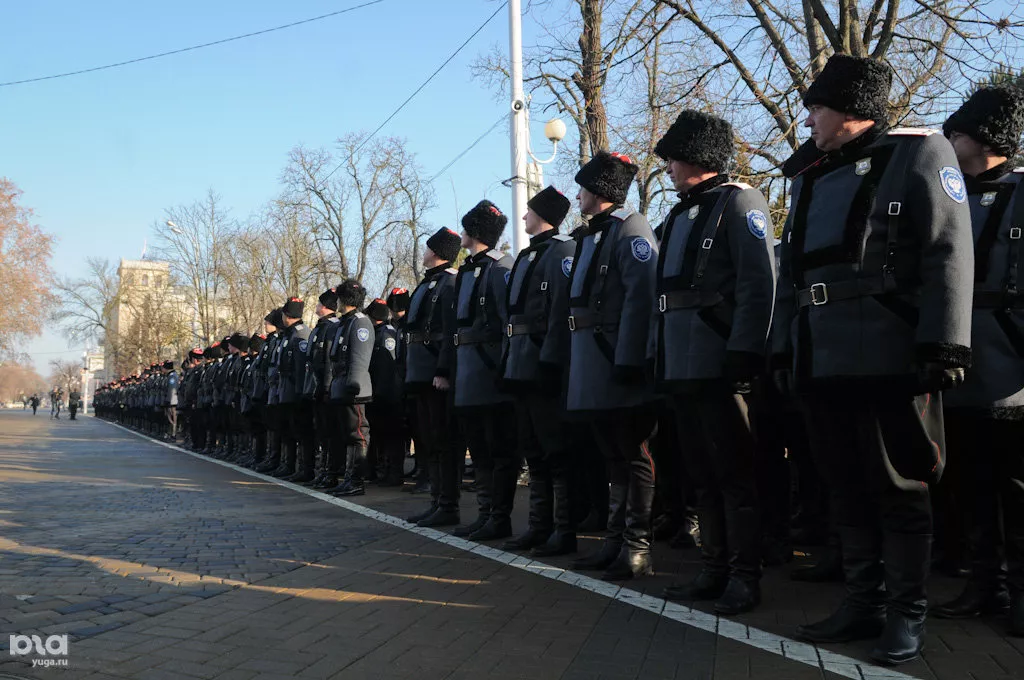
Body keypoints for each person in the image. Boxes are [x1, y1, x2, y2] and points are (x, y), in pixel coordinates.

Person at [772, 55, 974, 664]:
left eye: (817, 107)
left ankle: (906, 613)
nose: (809, 118)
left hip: (890, 350)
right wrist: (782, 345)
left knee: (900, 486)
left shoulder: (919, 152)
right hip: (822, 352)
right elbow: (792, 273)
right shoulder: (810, 174)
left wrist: (943, 342)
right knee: (845, 485)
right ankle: (863, 602)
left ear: (850, 109)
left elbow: (948, 248)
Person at [652, 110, 777, 613]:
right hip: (683, 366)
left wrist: (745, 351)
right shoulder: (679, 215)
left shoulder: (739, 202)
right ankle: (714, 568)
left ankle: (745, 577)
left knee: (735, 476)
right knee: (701, 476)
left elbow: (758, 283)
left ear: (697, 157)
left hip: (720, 362)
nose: (669, 168)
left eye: (674, 158)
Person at [931, 85, 1024, 635]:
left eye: (958, 134)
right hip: (960, 364)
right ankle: (983, 583)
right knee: (970, 484)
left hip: (1011, 365)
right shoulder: (949, 196)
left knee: (1016, 486)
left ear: (985, 139)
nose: (949, 141)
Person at [565, 151, 659, 581]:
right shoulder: (593, 234)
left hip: (617, 359)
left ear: (599, 190)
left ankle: (637, 547)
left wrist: (630, 358)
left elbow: (641, 297)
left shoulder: (630, 228)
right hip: (595, 362)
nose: (578, 197)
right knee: (612, 455)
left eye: (583, 189)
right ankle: (615, 541)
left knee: (633, 453)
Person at [500, 186, 578, 556]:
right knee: (533, 450)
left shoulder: (562, 250)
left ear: (543, 214)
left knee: (556, 452)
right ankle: (538, 525)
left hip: (543, 364)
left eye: (529, 211)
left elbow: (560, 311)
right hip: (521, 365)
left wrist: (551, 359)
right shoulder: (527, 255)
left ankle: (563, 529)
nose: (524, 216)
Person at [448, 201, 517, 541]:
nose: (462, 233)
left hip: (489, 371)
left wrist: (504, 366)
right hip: (469, 373)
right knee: (478, 448)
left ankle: (499, 517)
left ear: (476, 232)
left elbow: (507, 321)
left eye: (466, 228)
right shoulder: (468, 269)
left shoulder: (499, 267)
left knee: (498, 448)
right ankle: (485, 512)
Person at [402, 227, 463, 527]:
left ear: (437, 252)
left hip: (435, 373)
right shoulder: (429, 283)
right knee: (430, 440)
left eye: (428, 248)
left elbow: (450, 332)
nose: (424, 252)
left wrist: (443, 370)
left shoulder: (450, 283)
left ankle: (448, 504)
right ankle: (437, 502)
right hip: (421, 372)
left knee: (444, 440)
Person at [327, 280, 375, 496]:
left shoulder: (360, 322)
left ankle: (356, 480)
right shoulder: (345, 323)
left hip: (353, 389)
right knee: (347, 435)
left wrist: (352, 386)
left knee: (357, 435)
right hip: (342, 386)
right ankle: (348, 477)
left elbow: (359, 358)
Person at [364, 298, 405, 486]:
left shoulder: (387, 334)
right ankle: (382, 470)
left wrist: (382, 391)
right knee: (380, 434)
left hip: (389, 394)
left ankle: (394, 472)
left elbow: (389, 366)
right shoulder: (378, 332)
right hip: (378, 392)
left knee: (392, 435)